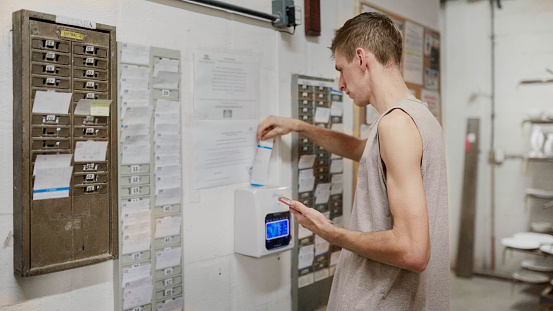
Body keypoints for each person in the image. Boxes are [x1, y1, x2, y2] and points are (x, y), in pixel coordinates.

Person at [256, 12, 449, 310]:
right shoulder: (418, 117)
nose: (340, 84)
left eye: (341, 69)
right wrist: (299, 127)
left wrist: (328, 231)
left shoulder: (395, 125)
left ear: (361, 59)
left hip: (381, 300)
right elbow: (363, 150)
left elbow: (413, 251)